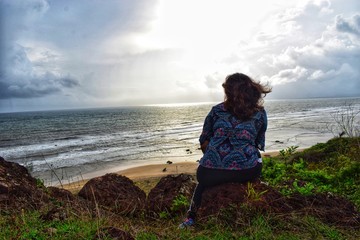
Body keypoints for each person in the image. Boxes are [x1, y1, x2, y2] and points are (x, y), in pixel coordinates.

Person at [179, 73, 271, 228]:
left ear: (228, 91)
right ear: (251, 90)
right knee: (256, 159)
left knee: (201, 184)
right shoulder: (259, 113)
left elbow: (204, 139)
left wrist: (214, 159)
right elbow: (258, 143)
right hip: (246, 171)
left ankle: (191, 218)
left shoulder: (216, 111)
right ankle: (256, 184)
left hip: (208, 173)